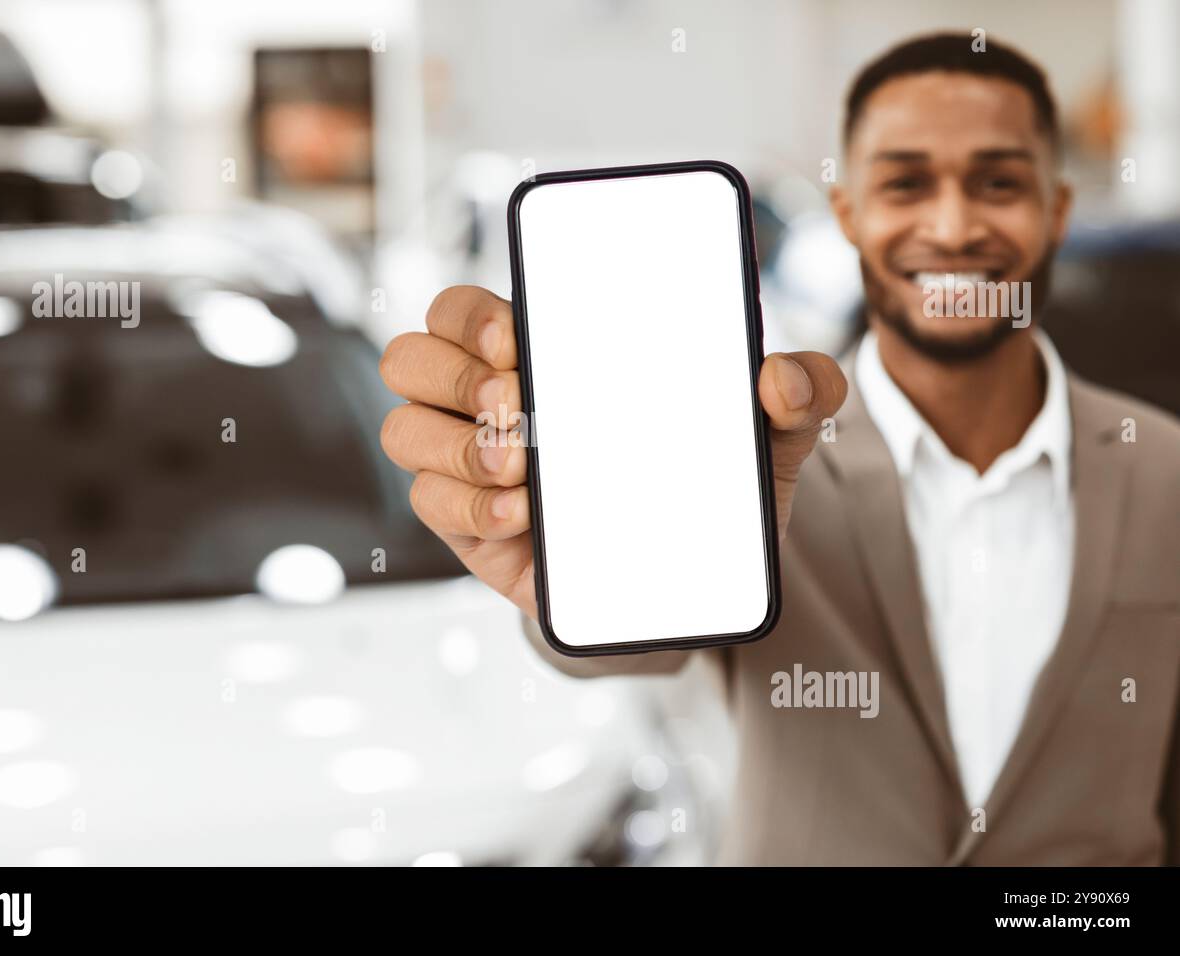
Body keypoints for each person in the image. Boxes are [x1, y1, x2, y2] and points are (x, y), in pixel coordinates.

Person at [377, 32, 1180, 865]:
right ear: (849, 215)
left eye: (998, 182)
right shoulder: (756, 455)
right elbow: (644, 650)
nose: (951, 224)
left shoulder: (1165, 472)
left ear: (1055, 210)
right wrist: (563, 579)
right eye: (906, 182)